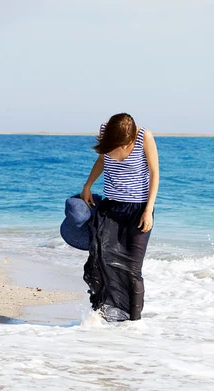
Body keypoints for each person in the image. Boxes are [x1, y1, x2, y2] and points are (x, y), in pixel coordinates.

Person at [81, 113, 159, 321]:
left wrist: (148, 210)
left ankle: (133, 323)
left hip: (139, 210)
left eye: (125, 143)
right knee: (102, 260)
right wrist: (88, 185)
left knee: (132, 269)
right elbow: (101, 160)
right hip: (112, 209)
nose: (122, 148)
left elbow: (154, 173)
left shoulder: (145, 137)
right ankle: (103, 315)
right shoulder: (106, 132)